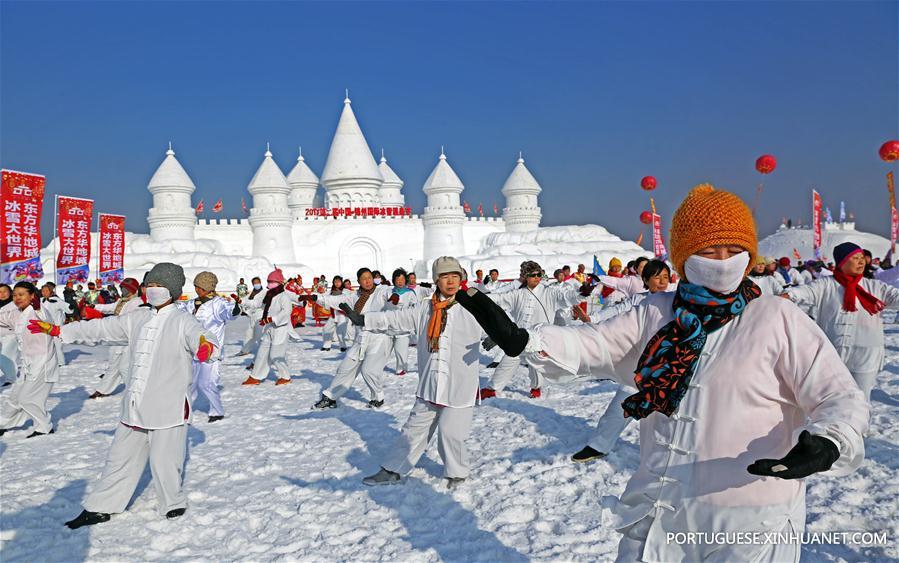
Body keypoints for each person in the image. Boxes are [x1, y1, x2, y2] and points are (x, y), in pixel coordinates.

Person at [456, 184, 868, 562]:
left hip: (748, 519)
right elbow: (592, 345)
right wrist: (524, 339)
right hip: (661, 507)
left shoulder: (777, 317)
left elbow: (839, 397)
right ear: (683, 258)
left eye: (732, 249)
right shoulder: (657, 313)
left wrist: (830, 440)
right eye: (709, 251)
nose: (722, 262)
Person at [32, 263, 216, 527]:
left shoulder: (182, 320)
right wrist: (62, 331)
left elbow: (201, 337)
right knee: (119, 457)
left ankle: (172, 502)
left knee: (165, 460)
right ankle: (101, 506)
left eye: (159, 286)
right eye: (150, 285)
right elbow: (103, 329)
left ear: (173, 291)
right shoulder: (138, 318)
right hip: (135, 403)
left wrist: (206, 347)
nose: (153, 290)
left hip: (168, 405)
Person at [344, 257, 483, 489]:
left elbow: (497, 322)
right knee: (412, 431)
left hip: (460, 383)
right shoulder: (425, 308)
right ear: (436, 280)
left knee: (450, 433)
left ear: (461, 279)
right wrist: (364, 319)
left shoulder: (473, 307)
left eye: (454, 276)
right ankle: (394, 469)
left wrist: (494, 338)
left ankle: (457, 472)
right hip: (431, 382)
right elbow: (395, 318)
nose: (450, 282)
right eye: (444, 277)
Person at [572, 260, 672, 463]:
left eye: (665, 277)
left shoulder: (676, 298)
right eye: (657, 277)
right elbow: (614, 312)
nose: (662, 282)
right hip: (643, 367)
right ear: (645, 280)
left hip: (674, 366)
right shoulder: (639, 300)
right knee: (623, 403)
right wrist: (590, 319)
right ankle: (599, 444)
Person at [785, 241, 899, 401]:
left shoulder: (874, 287)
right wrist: (788, 295)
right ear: (842, 262)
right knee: (832, 401)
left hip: (865, 356)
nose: (861, 262)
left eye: (862, 258)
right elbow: (805, 291)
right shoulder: (826, 285)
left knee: (860, 401)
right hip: (833, 354)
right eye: (855, 258)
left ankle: (861, 427)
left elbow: (895, 296)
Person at [479, 260, 590, 400]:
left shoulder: (549, 292)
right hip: (519, 337)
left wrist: (581, 293)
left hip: (539, 338)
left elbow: (566, 297)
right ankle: (492, 389)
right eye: (533, 275)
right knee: (508, 361)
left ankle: (536, 387)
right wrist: (477, 298)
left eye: (539, 274)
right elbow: (498, 299)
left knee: (536, 366)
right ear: (526, 277)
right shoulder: (518, 294)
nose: (537, 277)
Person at [310, 268, 394, 409]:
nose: (367, 281)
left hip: (379, 338)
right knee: (345, 368)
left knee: (369, 370)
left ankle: (378, 397)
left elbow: (390, 293)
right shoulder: (354, 296)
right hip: (361, 337)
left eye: (369, 277)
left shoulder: (381, 291)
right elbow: (335, 300)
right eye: (363, 279)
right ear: (359, 281)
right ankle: (331, 397)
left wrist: (395, 296)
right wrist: (316, 298)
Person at [176, 272, 240, 421]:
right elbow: (180, 308)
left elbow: (230, 312)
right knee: (189, 384)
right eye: (196, 286)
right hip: (194, 350)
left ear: (206, 287)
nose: (196, 289)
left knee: (207, 384)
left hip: (211, 352)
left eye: (198, 286)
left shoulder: (218, 304)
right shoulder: (194, 303)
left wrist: (236, 307)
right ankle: (184, 415)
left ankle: (217, 412)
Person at [0, 282, 60, 437]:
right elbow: (3, 320)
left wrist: (37, 305)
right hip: (28, 363)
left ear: (32, 295)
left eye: (21, 294)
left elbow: (46, 318)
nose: (17, 298)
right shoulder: (17, 313)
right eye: (15, 295)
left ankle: (44, 426)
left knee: (27, 398)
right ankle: (3, 423)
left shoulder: (39, 311)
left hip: (43, 362)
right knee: (15, 397)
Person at [242, 269, 306, 386]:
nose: (269, 283)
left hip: (280, 329)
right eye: (268, 281)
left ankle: (285, 376)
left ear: (278, 282)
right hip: (268, 328)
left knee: (276, 355)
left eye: (271, 281)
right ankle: (255, 376)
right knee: (262, 352)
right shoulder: (268, 294)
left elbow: (286, 312)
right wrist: (242, 301)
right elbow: (257, 303)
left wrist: (273, 319)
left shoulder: (283, 296)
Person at [88, 278, 143, 399]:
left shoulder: (137, 303)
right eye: (121, 288)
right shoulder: (122, 301)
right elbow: (110, 308)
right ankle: (103, 390)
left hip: (128, 339)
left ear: (131, 290)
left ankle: (136, 391)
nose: (122, 291)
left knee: (124, 367)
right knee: (114, 365)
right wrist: (95, 306)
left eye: (125, 289)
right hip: (117, 337)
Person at [385, 268, 417, 375]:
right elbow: (384, 306)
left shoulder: (410, 293)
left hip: (403, 326)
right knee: (384, 349)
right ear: (394, 280)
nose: (400, 281)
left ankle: (401, 368)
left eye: (402, 279)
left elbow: (415, 307)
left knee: (401, 350)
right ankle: (377, 365)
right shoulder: (388, 292)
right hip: (389, 325)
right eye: (397, 279)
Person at [40, 282, 72, 367]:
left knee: (57, 345)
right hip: (44, 326)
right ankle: (48, 362)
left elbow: (68, 308)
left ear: (51, 291)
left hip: (56, 326)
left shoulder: (57, 300)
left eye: (46, 291)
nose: (44, 292)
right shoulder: (40, 301)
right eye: (43, 291)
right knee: (46, 345)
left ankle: (61, 362)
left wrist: (71, 306)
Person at [238, 276, 265, 356]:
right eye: (255, 283)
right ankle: (245, 350)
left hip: (261, 316)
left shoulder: (265, 292)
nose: (257, 284)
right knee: (249, 334)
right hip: (252, 316)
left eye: (258, 282)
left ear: (260, 282)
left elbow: (256, 304)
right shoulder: (251, 294)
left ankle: (264, 352)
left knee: (259, 336)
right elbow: (246, 302)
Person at [320, 276, 344, 351]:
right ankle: (326, 345)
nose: (337, 283)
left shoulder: (345, 291)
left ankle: (343, 346)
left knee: (341, 331)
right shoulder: (330, 292)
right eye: (335, 282)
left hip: (342, 314)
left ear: (341, 282)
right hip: (333, 313)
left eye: (339, 281)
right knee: (327, 329)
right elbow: (323, 297)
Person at [0, 284, 16, 386]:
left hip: (11, 334)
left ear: (10, 291)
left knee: (6, 355)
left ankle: (11, 378)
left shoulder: (16, 304)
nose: (2, 294)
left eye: (5, 291)